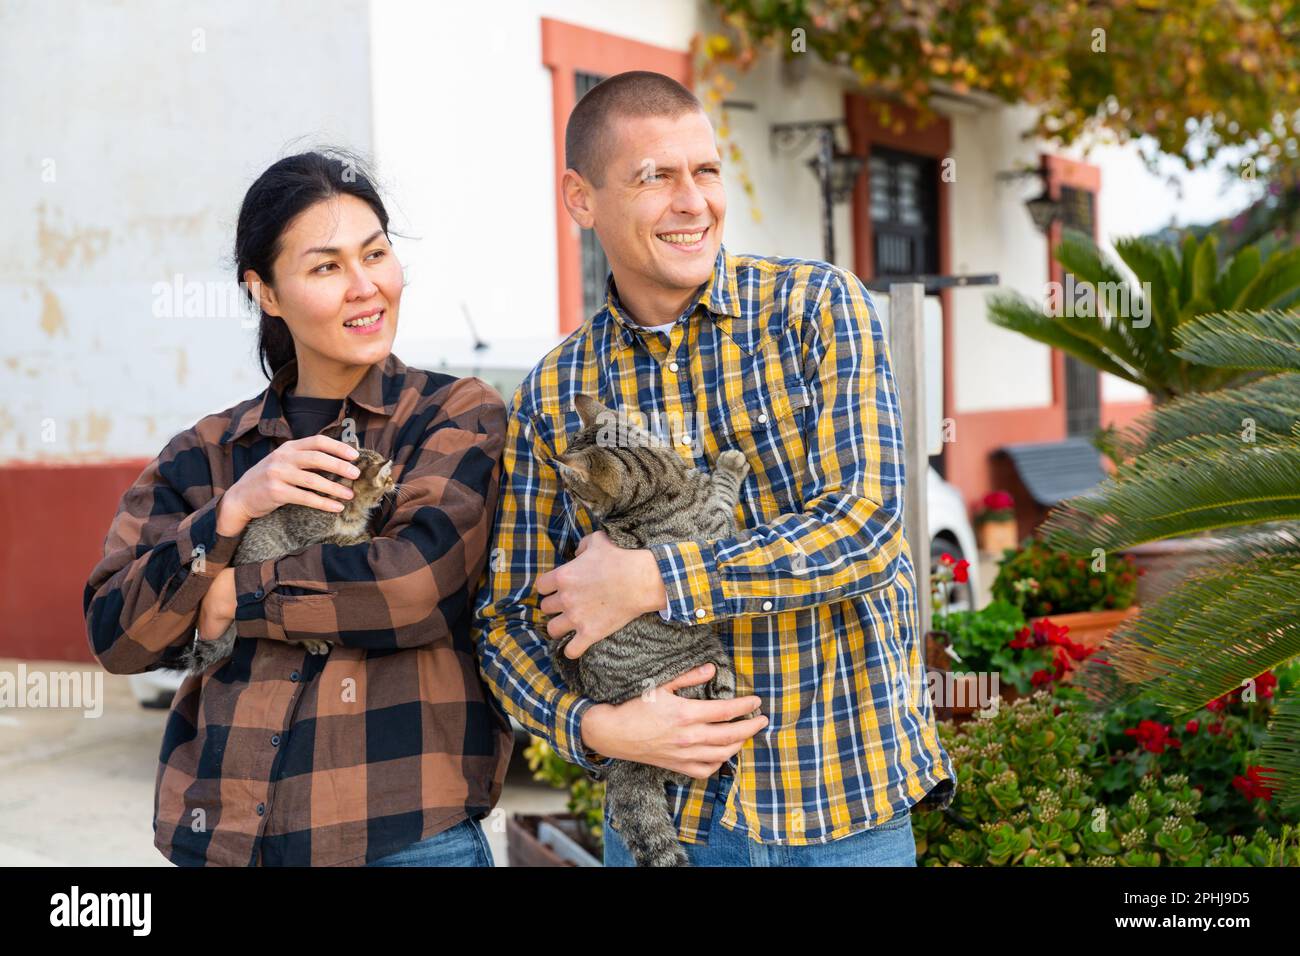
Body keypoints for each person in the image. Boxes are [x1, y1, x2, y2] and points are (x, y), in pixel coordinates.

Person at [473, 71, 955, 867]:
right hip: (672, 824)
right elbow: (505, 620)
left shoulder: (816, 309)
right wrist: (589, 727)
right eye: (654, 176)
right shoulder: (555, 394)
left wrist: (654, 578)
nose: (693, 201)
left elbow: (864, 526)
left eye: (704, 170)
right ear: (581, 198)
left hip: (844, 806)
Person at [84, 151, 510, 867]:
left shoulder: (453, 415)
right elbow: (117, 634)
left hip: (405, 841)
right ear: (266, 292)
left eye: (375, 254)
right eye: (326, 267)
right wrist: (232, 512)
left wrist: (227, 596)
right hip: (222, 839)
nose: (364, 286)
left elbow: (411, 590)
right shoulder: (208, 453)